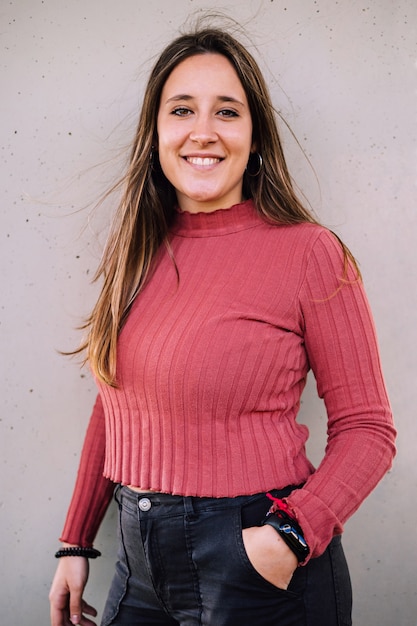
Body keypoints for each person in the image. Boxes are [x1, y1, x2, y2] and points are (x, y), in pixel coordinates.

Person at [49, 25, 396, 626]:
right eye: (181, 109)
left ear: (254, 136)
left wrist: (288, 537)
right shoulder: (138, 251)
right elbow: (118, 403)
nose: (202, 131)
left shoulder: (309, 252)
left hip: (255, 565)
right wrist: (77, 540)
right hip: (137, 567)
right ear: (156, 133)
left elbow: (369, 430)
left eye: (227, 112)